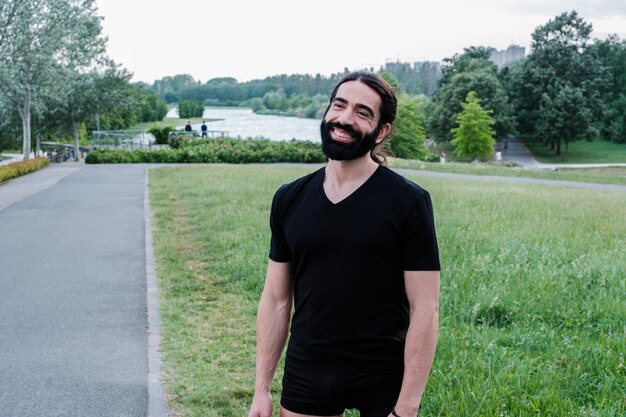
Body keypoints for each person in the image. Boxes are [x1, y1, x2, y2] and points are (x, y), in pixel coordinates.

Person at [248, 71, 440, 417]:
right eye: (339, 105)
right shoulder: (289, 198)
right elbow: (276, 299)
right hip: (309, 366)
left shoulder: (408, 202)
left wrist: (407, 407)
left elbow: (425, 308)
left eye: (362, 112)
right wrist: (261, 388)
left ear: (382, 131)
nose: (344, 119)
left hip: (382, 373)